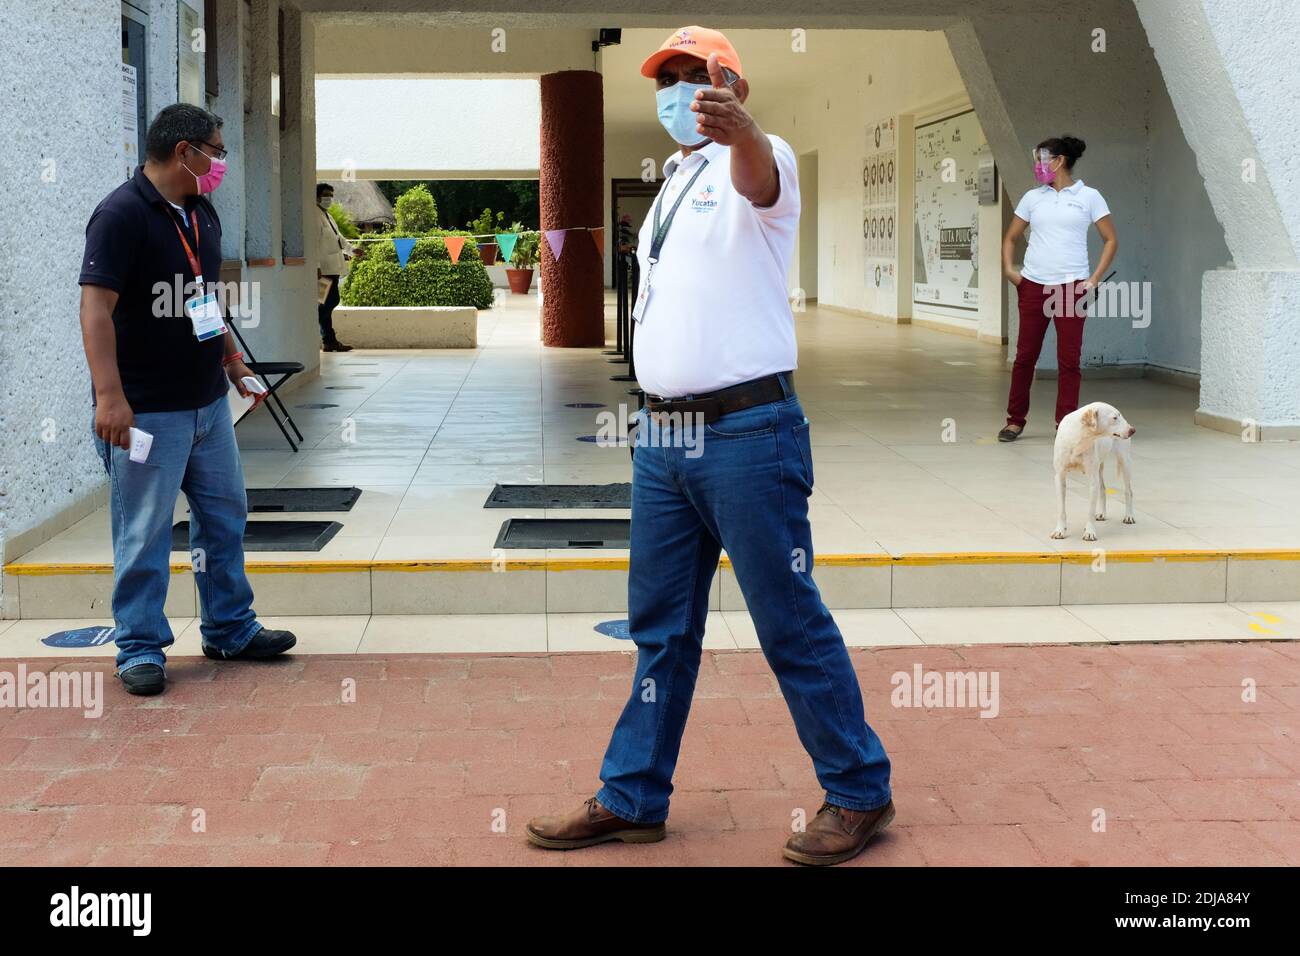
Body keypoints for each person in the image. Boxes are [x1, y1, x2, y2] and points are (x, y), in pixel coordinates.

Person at [526, 26, 894, 866]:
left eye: (700, 76)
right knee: (659, 629)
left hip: (746, 433)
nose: (682, 89)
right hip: (663, 437)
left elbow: (758, 173)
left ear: (735, 86)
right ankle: (632, 797)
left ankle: (859, 790)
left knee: (788, 621)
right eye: (672, 76)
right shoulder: (669, 185)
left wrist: (743, 132)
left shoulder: (760, 162)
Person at [79, 103, 297, 696]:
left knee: (224, 518)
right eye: (217, 151)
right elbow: (95, 308)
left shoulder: (200, 213)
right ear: (185, 152)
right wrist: (109, 397)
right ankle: (140, 647)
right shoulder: (120, 215)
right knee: (145, 529)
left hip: (206, 408)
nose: (221, 162)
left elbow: (201, 297)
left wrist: (230, 361)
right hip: (146, 409)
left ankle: (229, 627)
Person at [999, 135, 1118, 441]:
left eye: (1042, 159)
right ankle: (1015, 420)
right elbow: (1011, 237)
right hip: (1033, 286)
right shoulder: (1032, 198)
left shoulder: (1089, 196)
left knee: (1069, 361)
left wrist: (1092, 280)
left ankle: (1064, 425)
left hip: (1071, 289)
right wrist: (1010, 271)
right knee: (1024, 357)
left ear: (1059, 160)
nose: (1038, 165)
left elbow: (1111, 240)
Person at [315, 183, 354, 352]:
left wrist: (352, 250)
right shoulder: (314, 216)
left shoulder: (327, 215)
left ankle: (329, 340)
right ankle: (326, 337)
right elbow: (313, 242)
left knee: (326, 303)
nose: (328, 198)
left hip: (333, 268)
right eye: (325, 195)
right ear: (316, 196)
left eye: (330, 195)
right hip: (323, 270)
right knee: (325, 303)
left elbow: (339, 238)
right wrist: (316, 266)